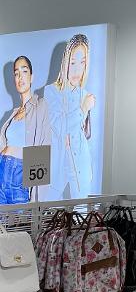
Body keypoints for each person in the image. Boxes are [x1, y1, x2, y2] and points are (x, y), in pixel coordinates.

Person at [44, 33, 96, 199]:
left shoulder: (85, 95)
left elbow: (82, 134)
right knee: (49, 209)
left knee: (82, 212)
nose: (77, 70)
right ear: (65, 62)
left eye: (82, 63)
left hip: (81, 166)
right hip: (56, 166)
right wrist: (83, 109)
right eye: (73, 62)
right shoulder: (51, 91)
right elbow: (60, 126)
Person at [0, 55, 51, 204]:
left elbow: (42, 150)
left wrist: (36, 201)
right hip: (2, 177)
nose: (20, 77)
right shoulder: (13, 114)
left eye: (24, 71)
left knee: (22, 220)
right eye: (16, 73)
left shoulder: (40, 105)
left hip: (19, 182)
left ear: (31, 77)